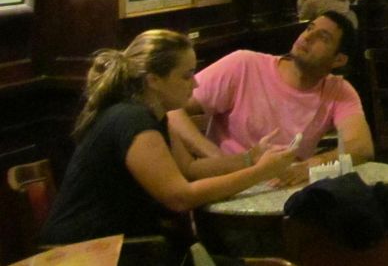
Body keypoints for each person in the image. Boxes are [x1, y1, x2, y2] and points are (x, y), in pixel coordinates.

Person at [40, 31, 295, 259]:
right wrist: (261, 172)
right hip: (92, 252)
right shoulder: (131, 118)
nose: (195, 84)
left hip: (128, 245)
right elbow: (179, 197)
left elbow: (190, 169)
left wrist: (250, 158)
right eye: (186, 75)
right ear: (153, 80)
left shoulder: (155, 114)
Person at [168, 12, 374, 187]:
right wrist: (215, 156)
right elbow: (171, 107)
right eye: (309, 28)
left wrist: (309, 166)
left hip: (283, 189)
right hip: (229, 185)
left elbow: (361, 147)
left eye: (323, 37)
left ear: (339, 60)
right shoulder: (244, 64)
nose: (309, 37)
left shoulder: (338, 90)